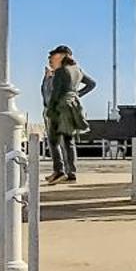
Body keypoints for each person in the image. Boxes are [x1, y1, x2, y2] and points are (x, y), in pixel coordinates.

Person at [43, 45, 95, 184]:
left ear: (61, 56)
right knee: (68, 141)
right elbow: (92, 84)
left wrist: (50, 110)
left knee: (53, 140)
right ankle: (71, 172)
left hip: (59, 108)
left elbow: (55, 94)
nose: (51, 59)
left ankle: (59, 171)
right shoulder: (77, 70)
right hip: (73, 107)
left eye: (54, 56)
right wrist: (76, 95)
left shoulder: (61, 71)